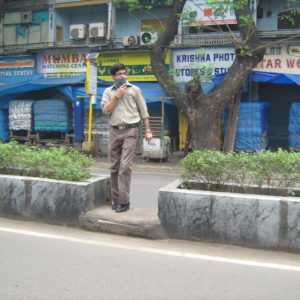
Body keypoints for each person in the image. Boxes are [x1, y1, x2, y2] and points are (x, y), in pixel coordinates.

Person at [101, 63, 153, 213]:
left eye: (124, 73)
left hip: (131, 130)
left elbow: (144, 111)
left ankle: (124, 201)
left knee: (125, 166)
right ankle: (115, 200)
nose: (122, 76)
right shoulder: (108, 91)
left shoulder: (135, 89)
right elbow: (105, 110)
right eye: (119, 74)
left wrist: (148, 130)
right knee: (114, 167)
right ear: (113, 77)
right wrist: (116, 97)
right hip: (114, 130)